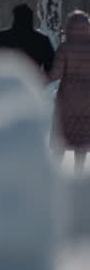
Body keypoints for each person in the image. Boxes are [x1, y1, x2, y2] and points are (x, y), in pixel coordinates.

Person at [51, 10, 90, 172]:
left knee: (62, 135)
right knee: (82, 137)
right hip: (88, 99)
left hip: (67, 100)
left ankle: (55, 173)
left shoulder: (64, 48)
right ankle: (79, 173)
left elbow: (56, 74)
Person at [0, 3, 55, 75]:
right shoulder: (42, 41)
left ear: (14, 17)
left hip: (5, 82)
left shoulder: (2, 37)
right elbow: (51, 69)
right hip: (31, 83)